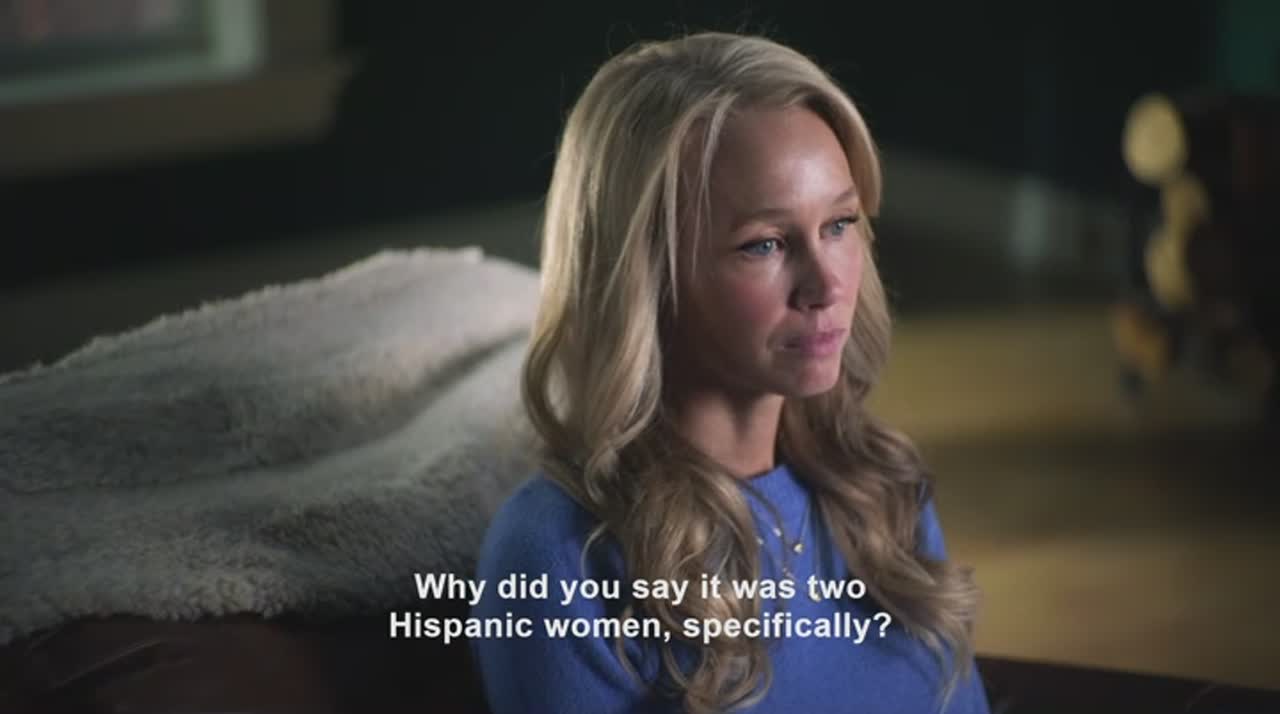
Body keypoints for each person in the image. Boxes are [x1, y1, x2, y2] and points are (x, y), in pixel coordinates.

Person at [470, 31, 990, 714]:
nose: (827, 285)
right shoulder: (559, 558)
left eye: (839, 224)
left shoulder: (880, 487)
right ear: (645, 276)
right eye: (765, 244)